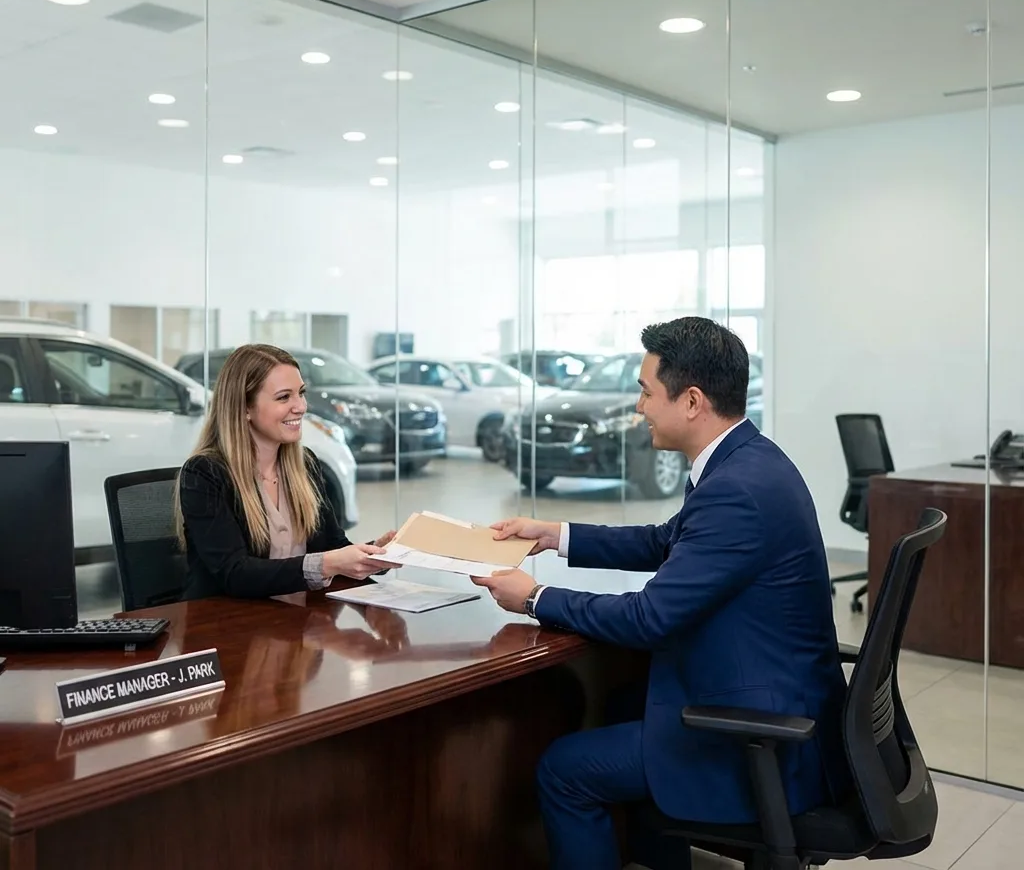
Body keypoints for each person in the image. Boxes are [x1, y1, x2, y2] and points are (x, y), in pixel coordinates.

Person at [472, 317, 849, 870]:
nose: (639, 406)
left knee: (563, 770)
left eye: (647, 392)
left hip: (765, 738)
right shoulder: (749, 460)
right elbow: (664, 540)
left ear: (691, 401)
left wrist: (534, 598)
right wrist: (555, 535)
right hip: (777, 698)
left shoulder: (736, 491)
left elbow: (648, 618)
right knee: (622, 702)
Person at [176, 343, 395, 599]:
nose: (300, 406)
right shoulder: (205, 473)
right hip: (229, 618)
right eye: (284, 397)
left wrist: (375, 553)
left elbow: (333, 546)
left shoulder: (305, 464)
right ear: (244, 408)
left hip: (295, 617)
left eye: (301, 393)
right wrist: (328, 563)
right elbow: (235, 574)